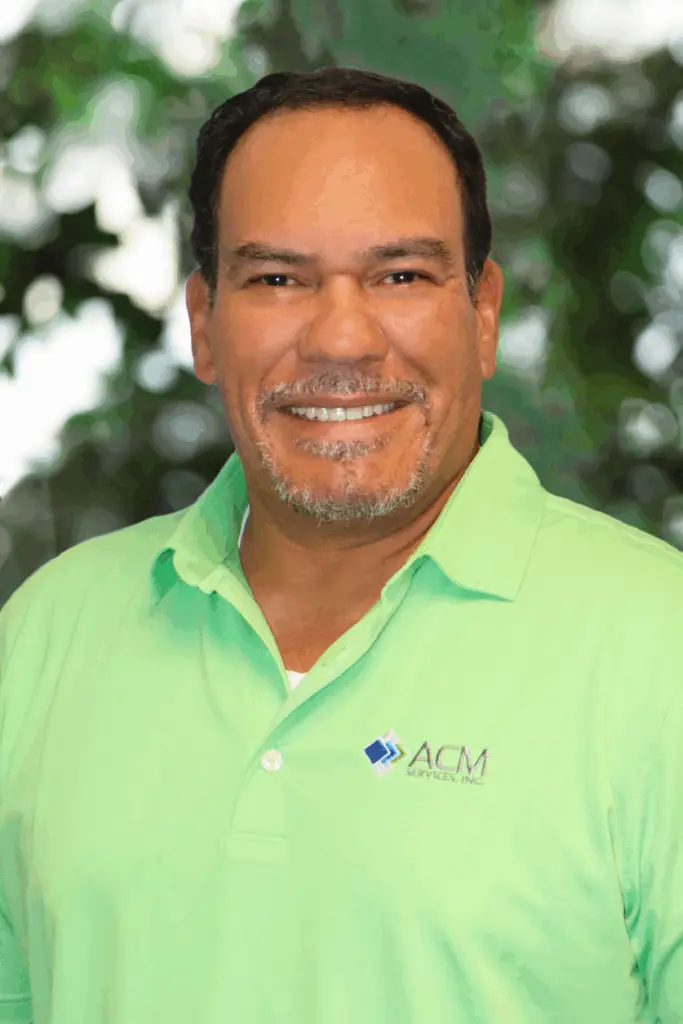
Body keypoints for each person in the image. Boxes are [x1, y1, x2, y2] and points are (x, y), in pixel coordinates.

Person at [0, 66, 681, 1024]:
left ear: (482, 313)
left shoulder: (659, 646)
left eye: (399, 276)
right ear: (203, 323)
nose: (342, 339)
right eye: (278, 279)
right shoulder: (46, 636)